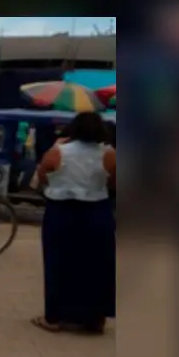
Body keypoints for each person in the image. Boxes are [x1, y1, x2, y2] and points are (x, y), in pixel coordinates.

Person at [32, 111, 116, 334]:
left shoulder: (57, 152)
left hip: (62, 211)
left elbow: (41, 176)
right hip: (97, 212)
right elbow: (115, 183)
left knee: (59, 263)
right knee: (96, 265)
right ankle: (94, 318)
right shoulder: (109, 154)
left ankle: (55, 317)